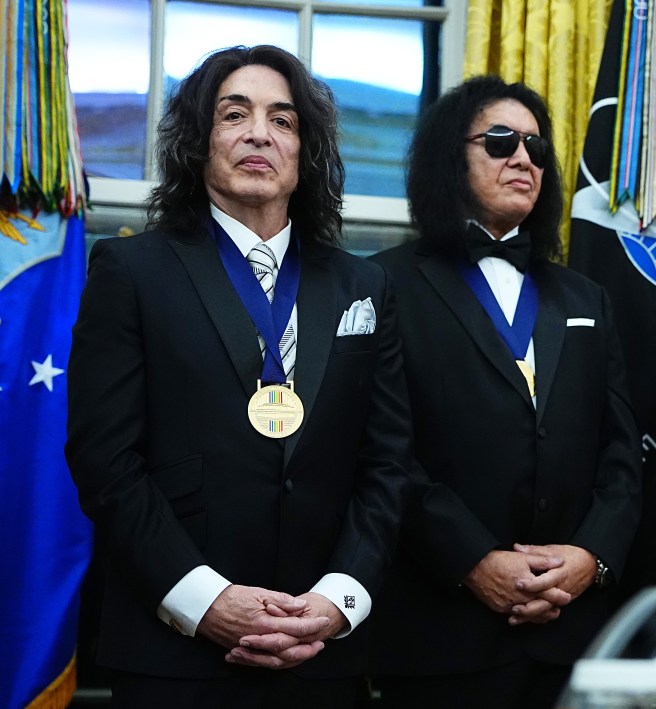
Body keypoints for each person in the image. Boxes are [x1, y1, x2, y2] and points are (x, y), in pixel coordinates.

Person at [65, 45, 412, 708]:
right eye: (235, 114)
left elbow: (389, 464)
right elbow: (104, 460)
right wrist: (207, 598)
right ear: (199, 141)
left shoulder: (365, 285)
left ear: (304, 150)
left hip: (324, 656)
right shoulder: (130, 272)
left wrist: (341, 599)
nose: (259, 132)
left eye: (283, 120)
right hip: (175, 655)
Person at [367, 75, 643, 709]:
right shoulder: (383, 284)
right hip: (440, 638)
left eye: (537, 148)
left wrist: (591, 557)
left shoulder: (586, 297)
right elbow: (380, 453)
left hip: (574, 640)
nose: (523, 158)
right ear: (449, 156)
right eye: (500, 141)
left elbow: (623, 457)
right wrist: (471, 561)